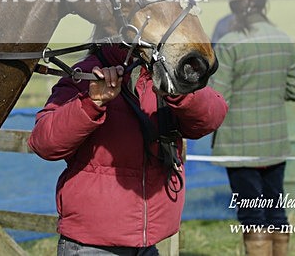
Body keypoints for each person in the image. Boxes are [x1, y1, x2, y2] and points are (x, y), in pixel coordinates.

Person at [27, 44, 228, 255]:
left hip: (147, 242)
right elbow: (44, 143)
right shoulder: (85, 74)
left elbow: (212, 117)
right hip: (92, 246)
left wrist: (180, 90)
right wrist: (92, 102)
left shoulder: (165, 72)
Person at [210, 0, 295, 256]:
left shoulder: (229, 43)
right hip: (275, 143)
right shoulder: (282, 39)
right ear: (264, 5)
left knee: (252, 215)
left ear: (234, 8)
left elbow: (218, 97)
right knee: (277, 210)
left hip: (238, 146)